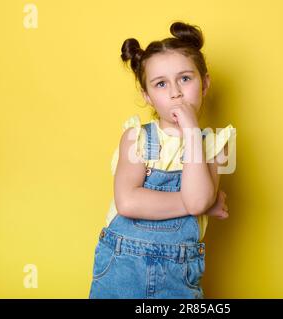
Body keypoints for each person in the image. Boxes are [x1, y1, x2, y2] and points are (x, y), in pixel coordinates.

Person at [89, 21, 235, 299]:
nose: (175, 92)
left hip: (178, 275)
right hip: (122, 268)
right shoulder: (137, 138)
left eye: (185, 79)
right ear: (147, 96)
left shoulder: (215, 146)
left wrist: (191, 130)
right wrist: (203, 204)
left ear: (204, 84)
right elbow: (129, 202)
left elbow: (197, 201)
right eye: (160, 84)